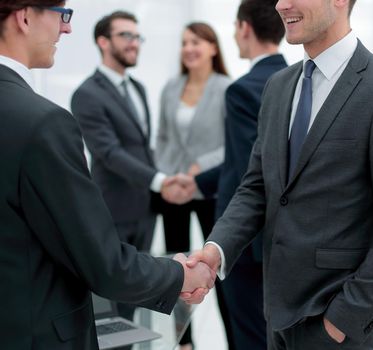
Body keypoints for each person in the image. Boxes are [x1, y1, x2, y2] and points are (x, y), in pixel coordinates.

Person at [0, 2, 215, 349]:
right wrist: (180, 273)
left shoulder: (140, 90)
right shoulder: (43, 121)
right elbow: (106, 267)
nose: (66, 29)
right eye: (62, 14)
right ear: (25, 16)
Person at [185, 0, 373, 349]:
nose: (281, 4)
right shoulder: (279, 86)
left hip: (337, 322)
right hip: (275, 311)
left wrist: (345, 318)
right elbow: (256, 186)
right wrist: (216, 249)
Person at [71, 11, 194, 322]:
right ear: (102, 41)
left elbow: (141, 148)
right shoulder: (87, 94)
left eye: (137, 37)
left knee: (135, 304)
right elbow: (109, 153)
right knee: (110, 306)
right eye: (126, 35)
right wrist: (159, 180)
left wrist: (166, 181)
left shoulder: (137, 87)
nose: (134, 43)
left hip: (144, 211)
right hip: (113, 212)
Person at [195, 0, 287, 348]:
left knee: (247, 335)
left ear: (244, 28)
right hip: (281, 239)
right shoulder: (293, 82)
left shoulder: (243, 89)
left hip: (245, 244)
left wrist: (195, 184)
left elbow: (251, 168)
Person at [155, 22, 232, 350]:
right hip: (174, 192)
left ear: (213, 48)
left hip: (209, 192)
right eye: (185, 42)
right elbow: (161, 138)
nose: (189, 48)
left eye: (197, 41)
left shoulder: (227, 88)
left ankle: (235, 339)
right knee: (177, 269)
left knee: (221, 270)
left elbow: (234, 144)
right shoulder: (171, 87)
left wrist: (198, 170)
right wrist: (167, 177)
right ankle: (184, 342)